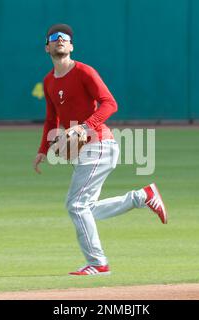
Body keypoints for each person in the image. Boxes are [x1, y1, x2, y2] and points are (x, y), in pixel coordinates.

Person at [33, 24, 168, 276]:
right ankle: (143, 196)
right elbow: (52, 120)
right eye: (54, 37)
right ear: (47, 47)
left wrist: (85, 127)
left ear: (71, 46)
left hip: (100, 145)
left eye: (65, 38)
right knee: (87, 208)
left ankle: (98, 263)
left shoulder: (84, 72)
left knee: (75, 205)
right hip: (86, 150)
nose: (60, 39)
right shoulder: (49, 81)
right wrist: (43, 149)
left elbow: (110, 103)